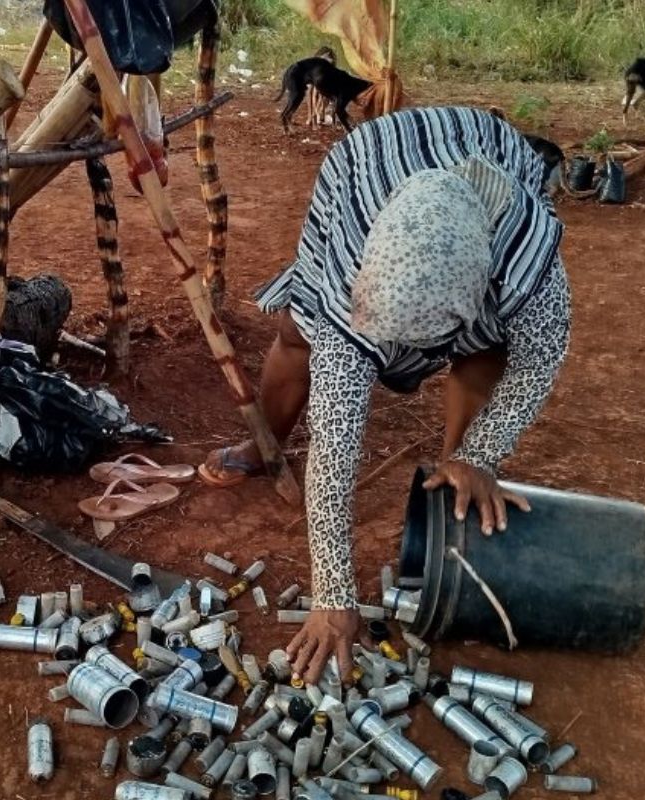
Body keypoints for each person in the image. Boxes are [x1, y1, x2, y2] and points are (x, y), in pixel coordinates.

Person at [199, 107, 571, 683]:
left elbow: (535, 362)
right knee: (300, 335)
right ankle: (262, 443)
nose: (395, 363)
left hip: (478, 204)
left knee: (486, 349)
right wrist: (332, 597)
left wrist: (482, 452)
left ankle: (456, 461)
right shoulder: (354, 254)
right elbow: (335, 445)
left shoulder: (526, 265)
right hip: (374, 168)